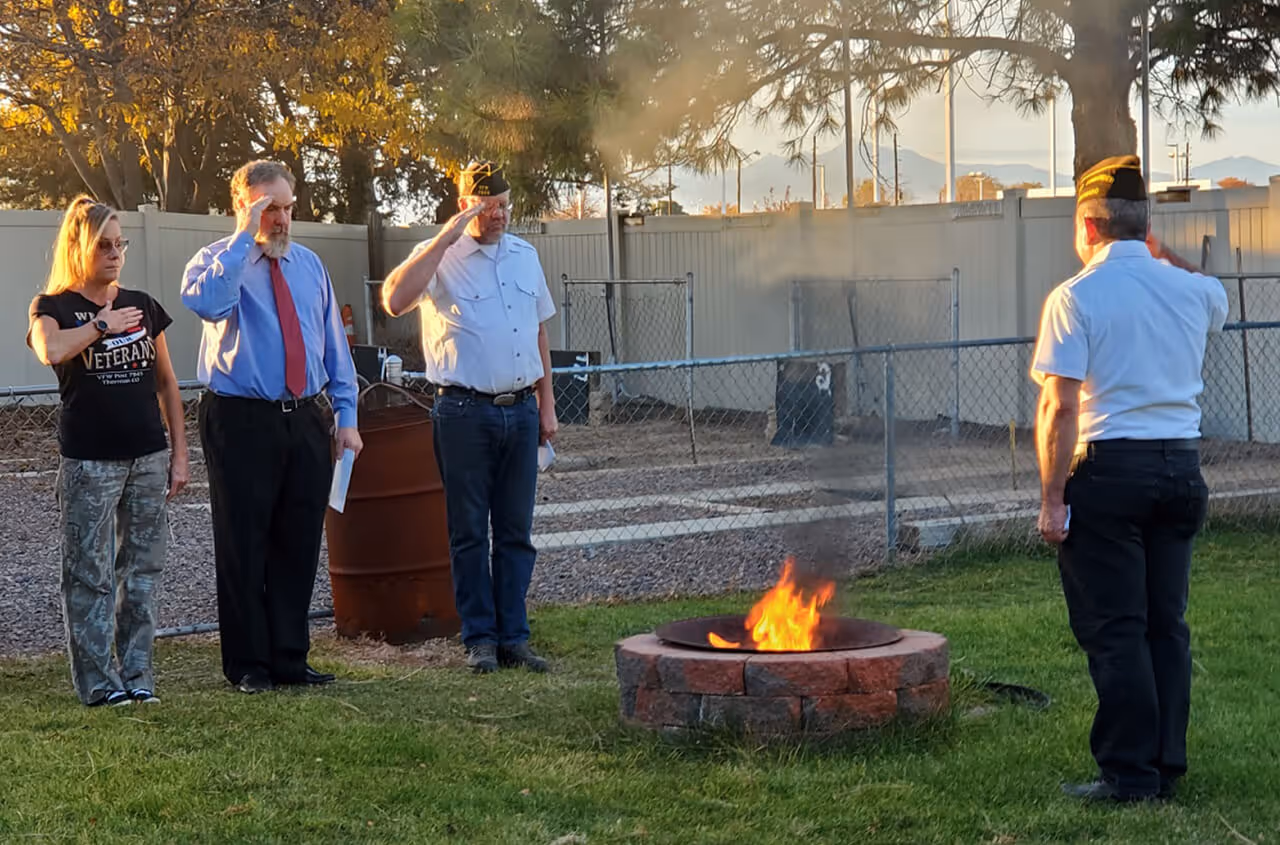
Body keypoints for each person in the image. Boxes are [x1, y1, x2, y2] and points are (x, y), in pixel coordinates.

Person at [1031, 155, 1229, 803]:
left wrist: (1052, 498)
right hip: (1182, 471)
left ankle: (1128, 773)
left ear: (1088, 225)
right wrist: (1157, 250)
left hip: (1110, 472)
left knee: (1117, 627)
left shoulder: (1075, 297)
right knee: (1166, 624)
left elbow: (1059, 407)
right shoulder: (1194, 291)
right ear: (1146, 227)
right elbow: (1214, 296)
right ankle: (1166, 763)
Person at [182, 160, 362, 694]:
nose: (281, 219)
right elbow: (210, 306)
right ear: (243, 206)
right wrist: (245, 239)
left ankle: (289, 657)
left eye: (287, 208)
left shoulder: (309, 266)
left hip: (305, 416)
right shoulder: (215, 261)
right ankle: (247, 664)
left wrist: (346, 418)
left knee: (298, 540)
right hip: (240, 418)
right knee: (243, 541)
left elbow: (333, 347)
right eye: (268, 208)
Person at [381, 161, 558, 674]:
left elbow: (538, 333)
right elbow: (394, 300)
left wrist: (546, 404)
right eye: (487, 206)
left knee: (516, 532)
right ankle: (479, 638)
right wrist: (444, 238)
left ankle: (514, 638)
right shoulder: (439, 255)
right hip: (463, 412)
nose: (498, 214)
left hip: (521, 410)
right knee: (469, 533)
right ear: (465, 205)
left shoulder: (524, 256)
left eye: (504, 205)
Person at [26, 196, 189, 707]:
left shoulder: (142, 304)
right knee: (88, 574)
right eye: (104, 245)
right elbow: (50, 350)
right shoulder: (52, 307)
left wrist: (180, 454)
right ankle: (99, 684)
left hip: (147, 457)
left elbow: (167, 383)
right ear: (80, 246)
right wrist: (101, 325)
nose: (115, 254)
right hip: (89, 462)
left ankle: (138, 676)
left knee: (141, 572)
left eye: (121, 244)